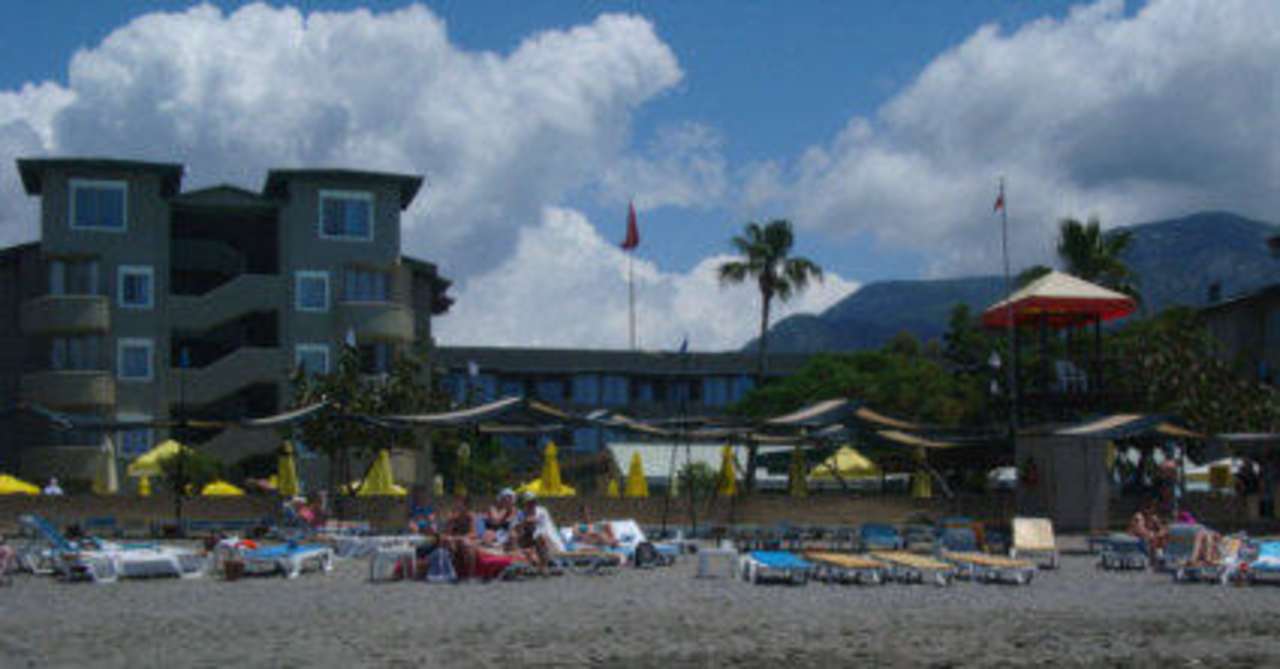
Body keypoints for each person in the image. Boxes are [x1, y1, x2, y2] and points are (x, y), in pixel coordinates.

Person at [439, 495, 479, 578]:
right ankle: (451, 572)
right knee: (449, 544)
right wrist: (449, 535)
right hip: (454, 540)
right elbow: (447, 532)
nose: (457, 505)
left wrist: (459, 538)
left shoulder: (470, 517)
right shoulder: (453, 517)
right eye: (457, 503)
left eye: (460, 503)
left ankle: (470, 575)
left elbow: (473, 533)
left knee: (466, 545)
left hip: (465, 539)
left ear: (465, 505)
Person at [513, 492, 552, 573]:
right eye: (529, 502)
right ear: (525, 503)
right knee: (518, 538)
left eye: (533, 502)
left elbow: (545, 527)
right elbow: (516, 528)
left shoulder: (542, 512)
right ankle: (536, 564)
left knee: (541, 538)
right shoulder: (520, 514)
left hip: (538, 536)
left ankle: (543, 566)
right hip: (525, 537)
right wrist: (524, 523)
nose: (531, 504)